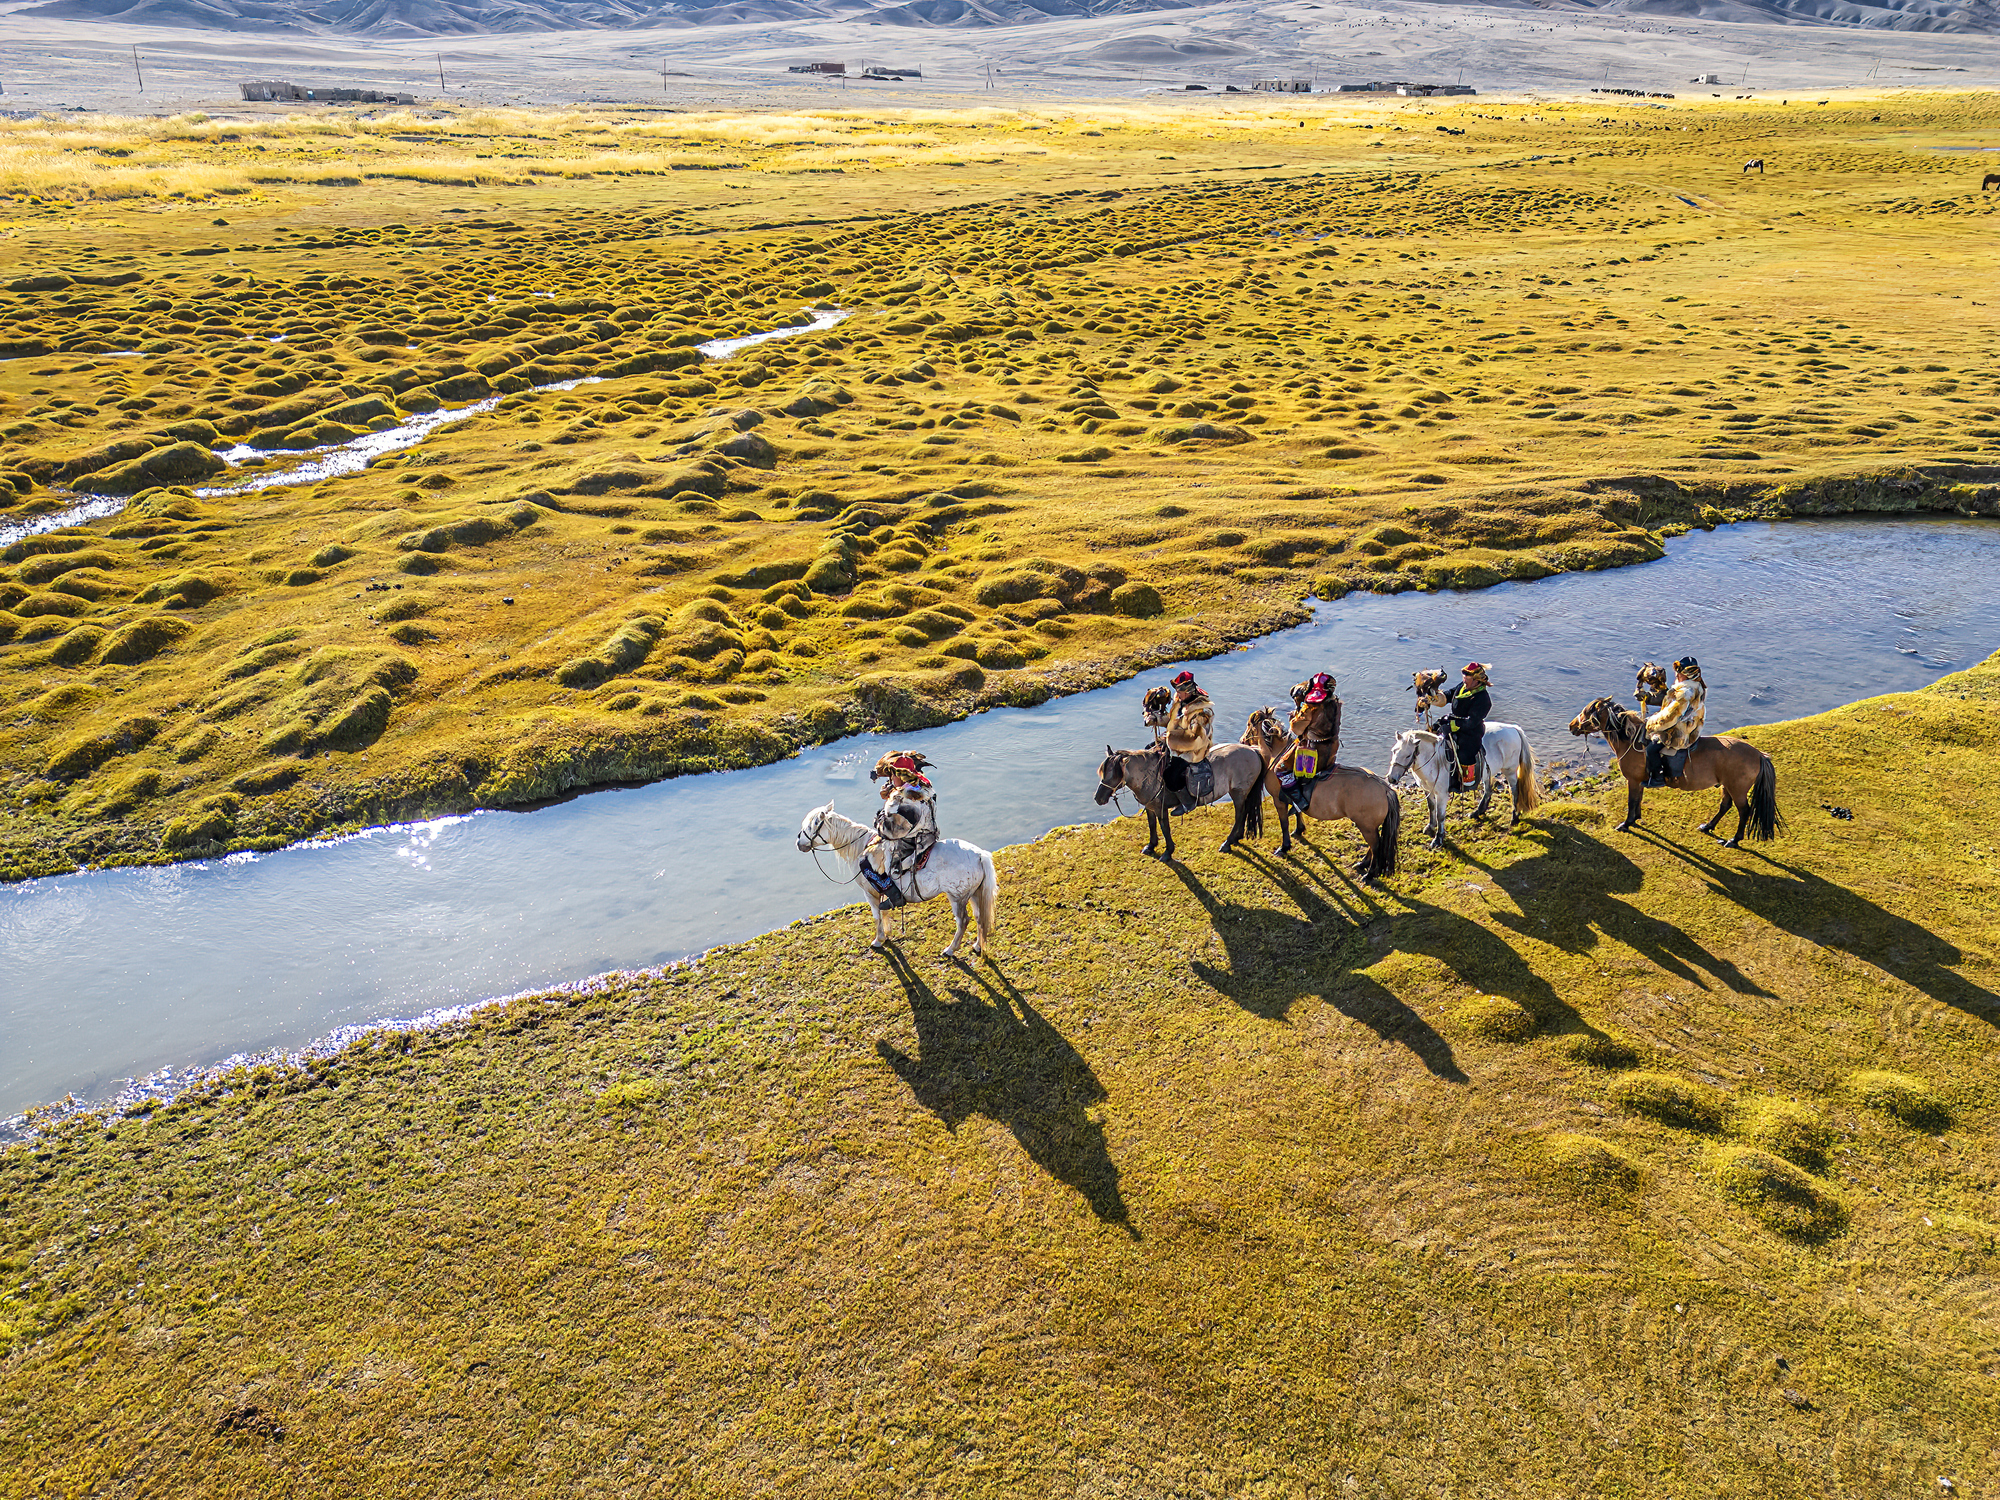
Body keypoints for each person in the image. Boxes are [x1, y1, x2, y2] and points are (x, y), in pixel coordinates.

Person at [1644, 655, 1706, 788]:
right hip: (1692, 727)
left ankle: (1657, 778)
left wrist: (1650, 722)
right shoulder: (1697, 686)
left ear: (1681, 673)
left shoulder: (1684, 693)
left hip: (1680, 732)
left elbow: (1669, 718)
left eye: (1677, 672)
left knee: (1651, 749)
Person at [1162, 669, 1214, 814]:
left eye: (1180, 691)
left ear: (1189, 691)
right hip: (1175, 741)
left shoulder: (1202, 713)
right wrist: (1156, 719)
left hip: (1194, 751)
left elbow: (1196, 739)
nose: (1177, 694)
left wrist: (1171, 737)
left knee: (1170, 776)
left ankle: (1188, 803)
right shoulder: (1180, 702)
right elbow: (1172, 721)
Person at [1279, 670, 1341, 791]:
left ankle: (1298, 800)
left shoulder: (1310, 707)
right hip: (1331, 749)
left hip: (1312, 750)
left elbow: (1296, 730)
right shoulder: (1336, 703)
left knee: (1280, 769)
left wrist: (1293, 719)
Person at [1439, 662, 1491, 792]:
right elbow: (1450, 694)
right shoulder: (1462, 687)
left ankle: (1467, 780)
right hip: (1455, 720)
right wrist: (1435, 698)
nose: (1464, 681)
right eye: (1463, 678)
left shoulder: (1483, 699)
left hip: (1470, 731)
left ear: (1476, 681)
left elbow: (1471, 722)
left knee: (1465, 752)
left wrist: (1452, 726)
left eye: (1467, 679)